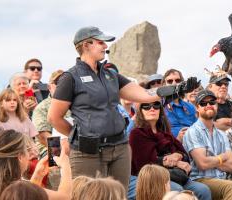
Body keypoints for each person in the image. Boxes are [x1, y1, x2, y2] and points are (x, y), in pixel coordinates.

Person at [48, 26, 198, 189]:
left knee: (119, 195)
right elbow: (54, 118)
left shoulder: (110, 75)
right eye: (100, 42)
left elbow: (145, 95)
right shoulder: (70, 77)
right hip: (87, 152)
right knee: (88, 195)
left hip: (119, 147)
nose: (105, 46)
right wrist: (79, 136)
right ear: (85, 45)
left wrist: (177, 89)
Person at [183, 90, 232, 200]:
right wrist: (222, 157)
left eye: (212, 102)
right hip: (200, 180)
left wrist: (213, 160)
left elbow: (231, 166)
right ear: (197, 107)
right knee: (229, 187)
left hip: (222, 179)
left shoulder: (221, 134)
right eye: (203, 103)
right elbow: (203, 164)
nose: (208, 105)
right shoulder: (193, 131)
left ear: (216, 106)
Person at [129, 100, 211, 200]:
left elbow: (182, 153)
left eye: (156, 105)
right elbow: (143, 164)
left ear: (160, 110)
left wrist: (178, 155)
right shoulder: (136, 134)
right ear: (140, 111)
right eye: (146, 106)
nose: (152, 109)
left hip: (175, 175)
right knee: (177, 191)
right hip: (153, 178)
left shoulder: (165, 133)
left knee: (203, 190)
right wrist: (171, 162)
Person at [0, 129, 72, 200]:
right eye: (27, 150)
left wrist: (37, 177)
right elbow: (65, 197)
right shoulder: (19, 189)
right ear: (20, 157)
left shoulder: (3, 187)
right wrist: (65, 166)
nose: (29, 155)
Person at [163, 69, 197, 138]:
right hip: (169, 146)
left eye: (177, 80)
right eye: (170, 81)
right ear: (164, 84)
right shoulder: (157, 106)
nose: (174, 83)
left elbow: (197, 129)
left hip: (191, 144)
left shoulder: (190, 107)